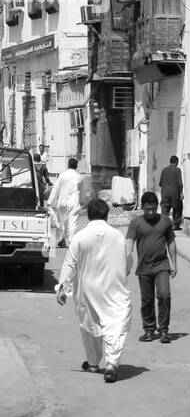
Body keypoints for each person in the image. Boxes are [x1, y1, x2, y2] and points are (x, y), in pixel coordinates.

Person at [56, 198, 132, 384]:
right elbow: (128, 262)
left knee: (89, 326)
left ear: (88, 215)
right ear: (106, 215)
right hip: (113, 288)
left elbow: (69, 264)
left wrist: (62, 288)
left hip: (87, 289)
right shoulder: (118, 236)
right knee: (115, 323)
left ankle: (92, 363)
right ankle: (112, 363)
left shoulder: (79, 237)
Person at [125, 192, 177, 344]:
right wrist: (126, 262)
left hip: (162, 265)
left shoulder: (165, 221)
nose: (150, 212)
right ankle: (149, 329)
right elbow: (129, 242)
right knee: (146, 300)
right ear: (142, 207)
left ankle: (164, 330)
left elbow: (171, 243)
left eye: (153, 209)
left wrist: (173, 263)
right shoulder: (136, 223)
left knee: (164, 295)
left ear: (157, 207)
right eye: (147, 209)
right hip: (144, 267)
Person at [47, 158, 86, 248]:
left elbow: (55, 189)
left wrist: (50, 201)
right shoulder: (79, 177)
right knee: (72, 222)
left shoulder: (62, 175)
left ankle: (62, 240)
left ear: (68, 165)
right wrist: (81, 201)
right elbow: (81, 191)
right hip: (74, 203)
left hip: (62, 202)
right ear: (76, 166)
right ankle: (71, 241)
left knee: (62, 222)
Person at [158, 155, 184, 230]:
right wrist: (181, 193)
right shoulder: (177, 170)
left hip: (165, 193)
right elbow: (180, 184)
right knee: (177, 208)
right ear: (176, 162)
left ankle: (164, 225)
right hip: (174, 193)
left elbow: (160, 183)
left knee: (165, 209)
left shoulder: (164, 170)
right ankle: (175, 225)